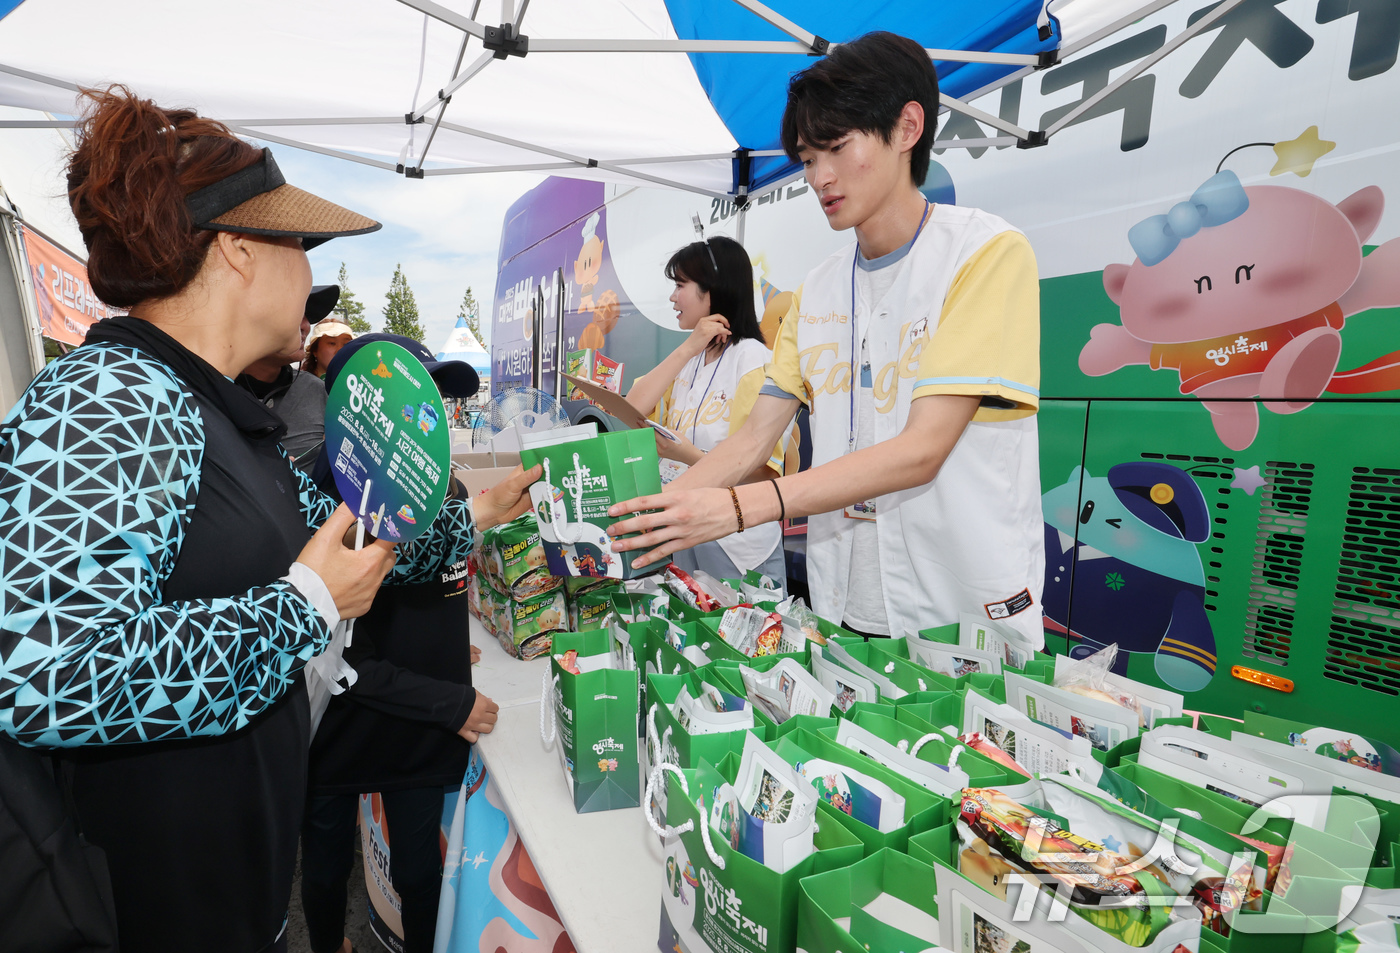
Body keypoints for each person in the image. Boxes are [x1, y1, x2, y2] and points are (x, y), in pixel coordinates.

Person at [0, 87, 538, 953]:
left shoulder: (221, 417)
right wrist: (303, 607)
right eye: (302, 245)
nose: (311, 280)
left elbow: (348, 538)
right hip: (138, 915)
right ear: (242, 251)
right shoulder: (109, 399)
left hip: (237, 899)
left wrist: (473, 513)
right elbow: (46, 669)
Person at [607, 32, 1045, 644]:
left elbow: (924, 449)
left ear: (907, 127)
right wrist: (651, 516)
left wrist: (740, 508)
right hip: (844, 601)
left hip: (958, 604)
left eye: (836, 148)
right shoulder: (816, 291)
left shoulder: (984, 254)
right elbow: (752, 439)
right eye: (809, 158)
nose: (819, 176)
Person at [301, 334, 487, 953]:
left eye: (434, 402)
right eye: (412, 404)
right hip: (340, 728)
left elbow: (437, 594)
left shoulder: (445, 493)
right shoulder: (314, 502)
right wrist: (450, 702)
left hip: (413, 734)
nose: (428, 421)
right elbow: (334, 657)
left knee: (420, 872)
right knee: (325, 868)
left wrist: (449, 648)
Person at [624, 235, 788, 586]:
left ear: (713, 289)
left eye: (681, 285)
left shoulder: (753, 360)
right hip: (686, 529)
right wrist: (688, 348)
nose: (672, 296)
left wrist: (689, 455)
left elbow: (765, 475)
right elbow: (631, 408)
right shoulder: (690, 357)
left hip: (739, 543)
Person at [236, 283, 338, 470]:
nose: (306, 326)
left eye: (307, 315)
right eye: (294, 311)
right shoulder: (204, 393)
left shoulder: (316, 390)